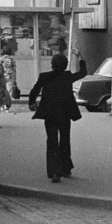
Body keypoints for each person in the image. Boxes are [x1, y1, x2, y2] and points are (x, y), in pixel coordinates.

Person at [30, 52, 85, 182]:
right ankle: (66, 168)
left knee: (52, 141)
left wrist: (31, 102)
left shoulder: (45, 76)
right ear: (65, 65)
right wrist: (79, 57)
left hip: (50, 114)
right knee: (65, 139)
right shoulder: (67, 76)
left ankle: (54, 172)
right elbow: (83, 72)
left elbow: (35, 90)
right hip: (65, 113)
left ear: (52, 64)